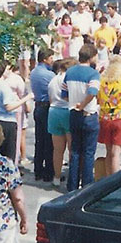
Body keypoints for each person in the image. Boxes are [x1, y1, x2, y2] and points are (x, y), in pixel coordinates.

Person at [65, 44, 101, 190]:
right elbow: (92, 92)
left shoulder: (70, 72)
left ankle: (72, 184)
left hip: (73, 113)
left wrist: (75, 102)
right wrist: (83, 103)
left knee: (75, 151)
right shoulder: (93, 74)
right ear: (91, 57)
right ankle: (87, 185)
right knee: (88, 152)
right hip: (88, 114)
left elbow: (64, 93)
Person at [97, 56, 121, 175]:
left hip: (105, 118)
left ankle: (109, 177)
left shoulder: (102, 82)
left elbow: (98, 100)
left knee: (109, 152)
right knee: (116, 153)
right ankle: (115, 179)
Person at [47, 59, 72, 188]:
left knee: (57, 149)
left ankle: (56, 177)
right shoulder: (68, 79)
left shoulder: (53, 80)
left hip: (54, 111)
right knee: (72, 148)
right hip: (67, 110)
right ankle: (73, 176)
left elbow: (50, 98)